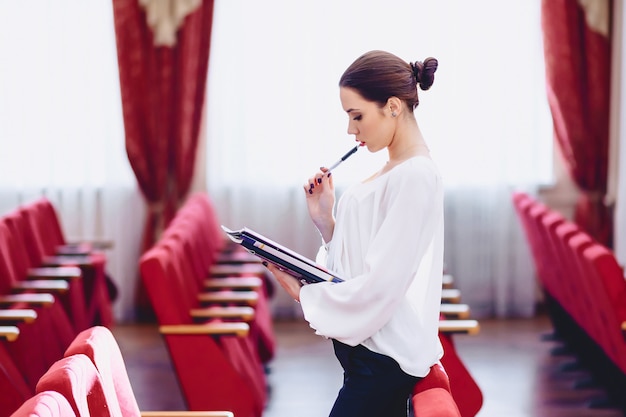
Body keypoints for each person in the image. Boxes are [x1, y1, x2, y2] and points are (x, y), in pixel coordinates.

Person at [264, 50, 444, 417]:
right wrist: (326, 221)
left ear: (393, 106)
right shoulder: (395, 169)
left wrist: (305, 295)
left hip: (381, 363)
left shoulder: (415, 176)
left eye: (356, 115)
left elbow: (381, 284)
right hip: (368, 359)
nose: (351, 129)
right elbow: (364, 260)